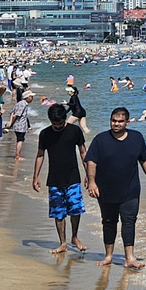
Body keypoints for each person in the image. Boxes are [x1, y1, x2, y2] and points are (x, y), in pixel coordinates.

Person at [85, 107, 146, 269]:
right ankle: (108, 256)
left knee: (129, 221)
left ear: (127, 122)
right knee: (109, 221)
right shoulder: (100, 139)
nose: (116, 124)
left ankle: (130, 258)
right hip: (105, 189)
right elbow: (91, 161)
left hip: (130, 189)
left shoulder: (136, 138)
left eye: (120, 121)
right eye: (113, 121)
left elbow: (144, 161)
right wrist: (92, 181)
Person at [30, 104, 91, 255]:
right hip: (54, 179)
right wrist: (35, 176)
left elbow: (83, 152)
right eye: (54, 123)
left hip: (73, 178)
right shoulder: (45, 134)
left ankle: (74, 237)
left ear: (65, 119)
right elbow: (40, 155)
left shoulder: (74, 131)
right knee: (58, 213)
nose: (57, 126)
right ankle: (62, 243)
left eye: (59, 123)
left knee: (76, 210)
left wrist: (89, 175)